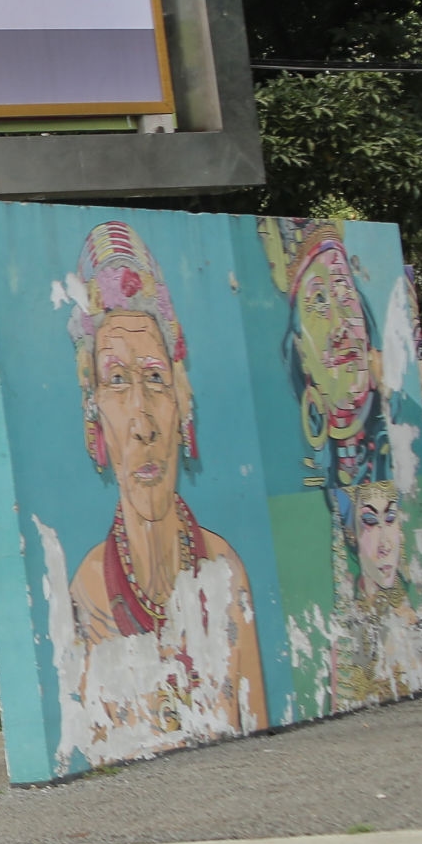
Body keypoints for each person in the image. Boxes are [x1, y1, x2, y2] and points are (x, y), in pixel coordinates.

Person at [57, 219, 268, 759]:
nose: (142, 423)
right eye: (117, 381)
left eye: (155, 378)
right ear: (93, 413)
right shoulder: (88, 594)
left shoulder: (225, 573)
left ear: (182, 406)